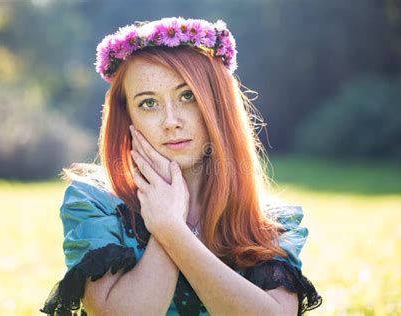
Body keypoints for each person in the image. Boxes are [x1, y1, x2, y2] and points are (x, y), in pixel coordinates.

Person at [40, 17, 322, 315]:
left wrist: (171, 228)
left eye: (187, 96)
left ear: (218, 105)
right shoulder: (94, 203)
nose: (171, 121)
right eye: (148, 103)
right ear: (128, 118)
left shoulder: (271, 222)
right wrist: (164, 219)